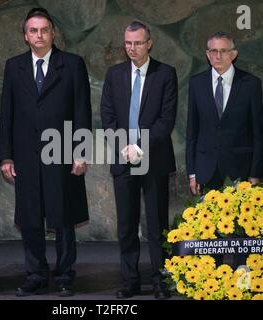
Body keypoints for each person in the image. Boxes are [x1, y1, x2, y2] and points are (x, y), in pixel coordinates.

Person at [0, 8, 92, 297]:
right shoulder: (14, 67)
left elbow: (82, 111)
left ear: (53, 33)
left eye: (44, 30)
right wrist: (6, 156)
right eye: (33, 31)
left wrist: (81, 151)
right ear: (25, 35)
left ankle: (64, 275)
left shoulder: (72, 64)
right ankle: (36, 274)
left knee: (63, 217)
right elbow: (7, 113)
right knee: (30, 217)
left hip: (62, 152)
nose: (39, 35)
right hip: (26, 155)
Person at [100, 21, 177, 299]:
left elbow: (166, 120)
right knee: (126, 226)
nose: (132, 48)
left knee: (157, 226)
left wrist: (139, 147)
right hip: (123, 160)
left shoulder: (166, 74)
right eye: (128, 43)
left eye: (138, 43)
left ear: (150, 43)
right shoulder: (114, 74)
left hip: (153, 159)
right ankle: (130, 282)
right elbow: (107, 116)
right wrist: (124, 146)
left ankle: (160, 281)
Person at [186, 32, 263, 194]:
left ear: (234, 54)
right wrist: (192, 173)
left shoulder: (250, 84)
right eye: (213, 51)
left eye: (223, 51)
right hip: (206, 170)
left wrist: (255, 174)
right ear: (208, 55)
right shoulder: (197, 83)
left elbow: (258, 133)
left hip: (240, 169)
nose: (218, 56)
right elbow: (192, 131)